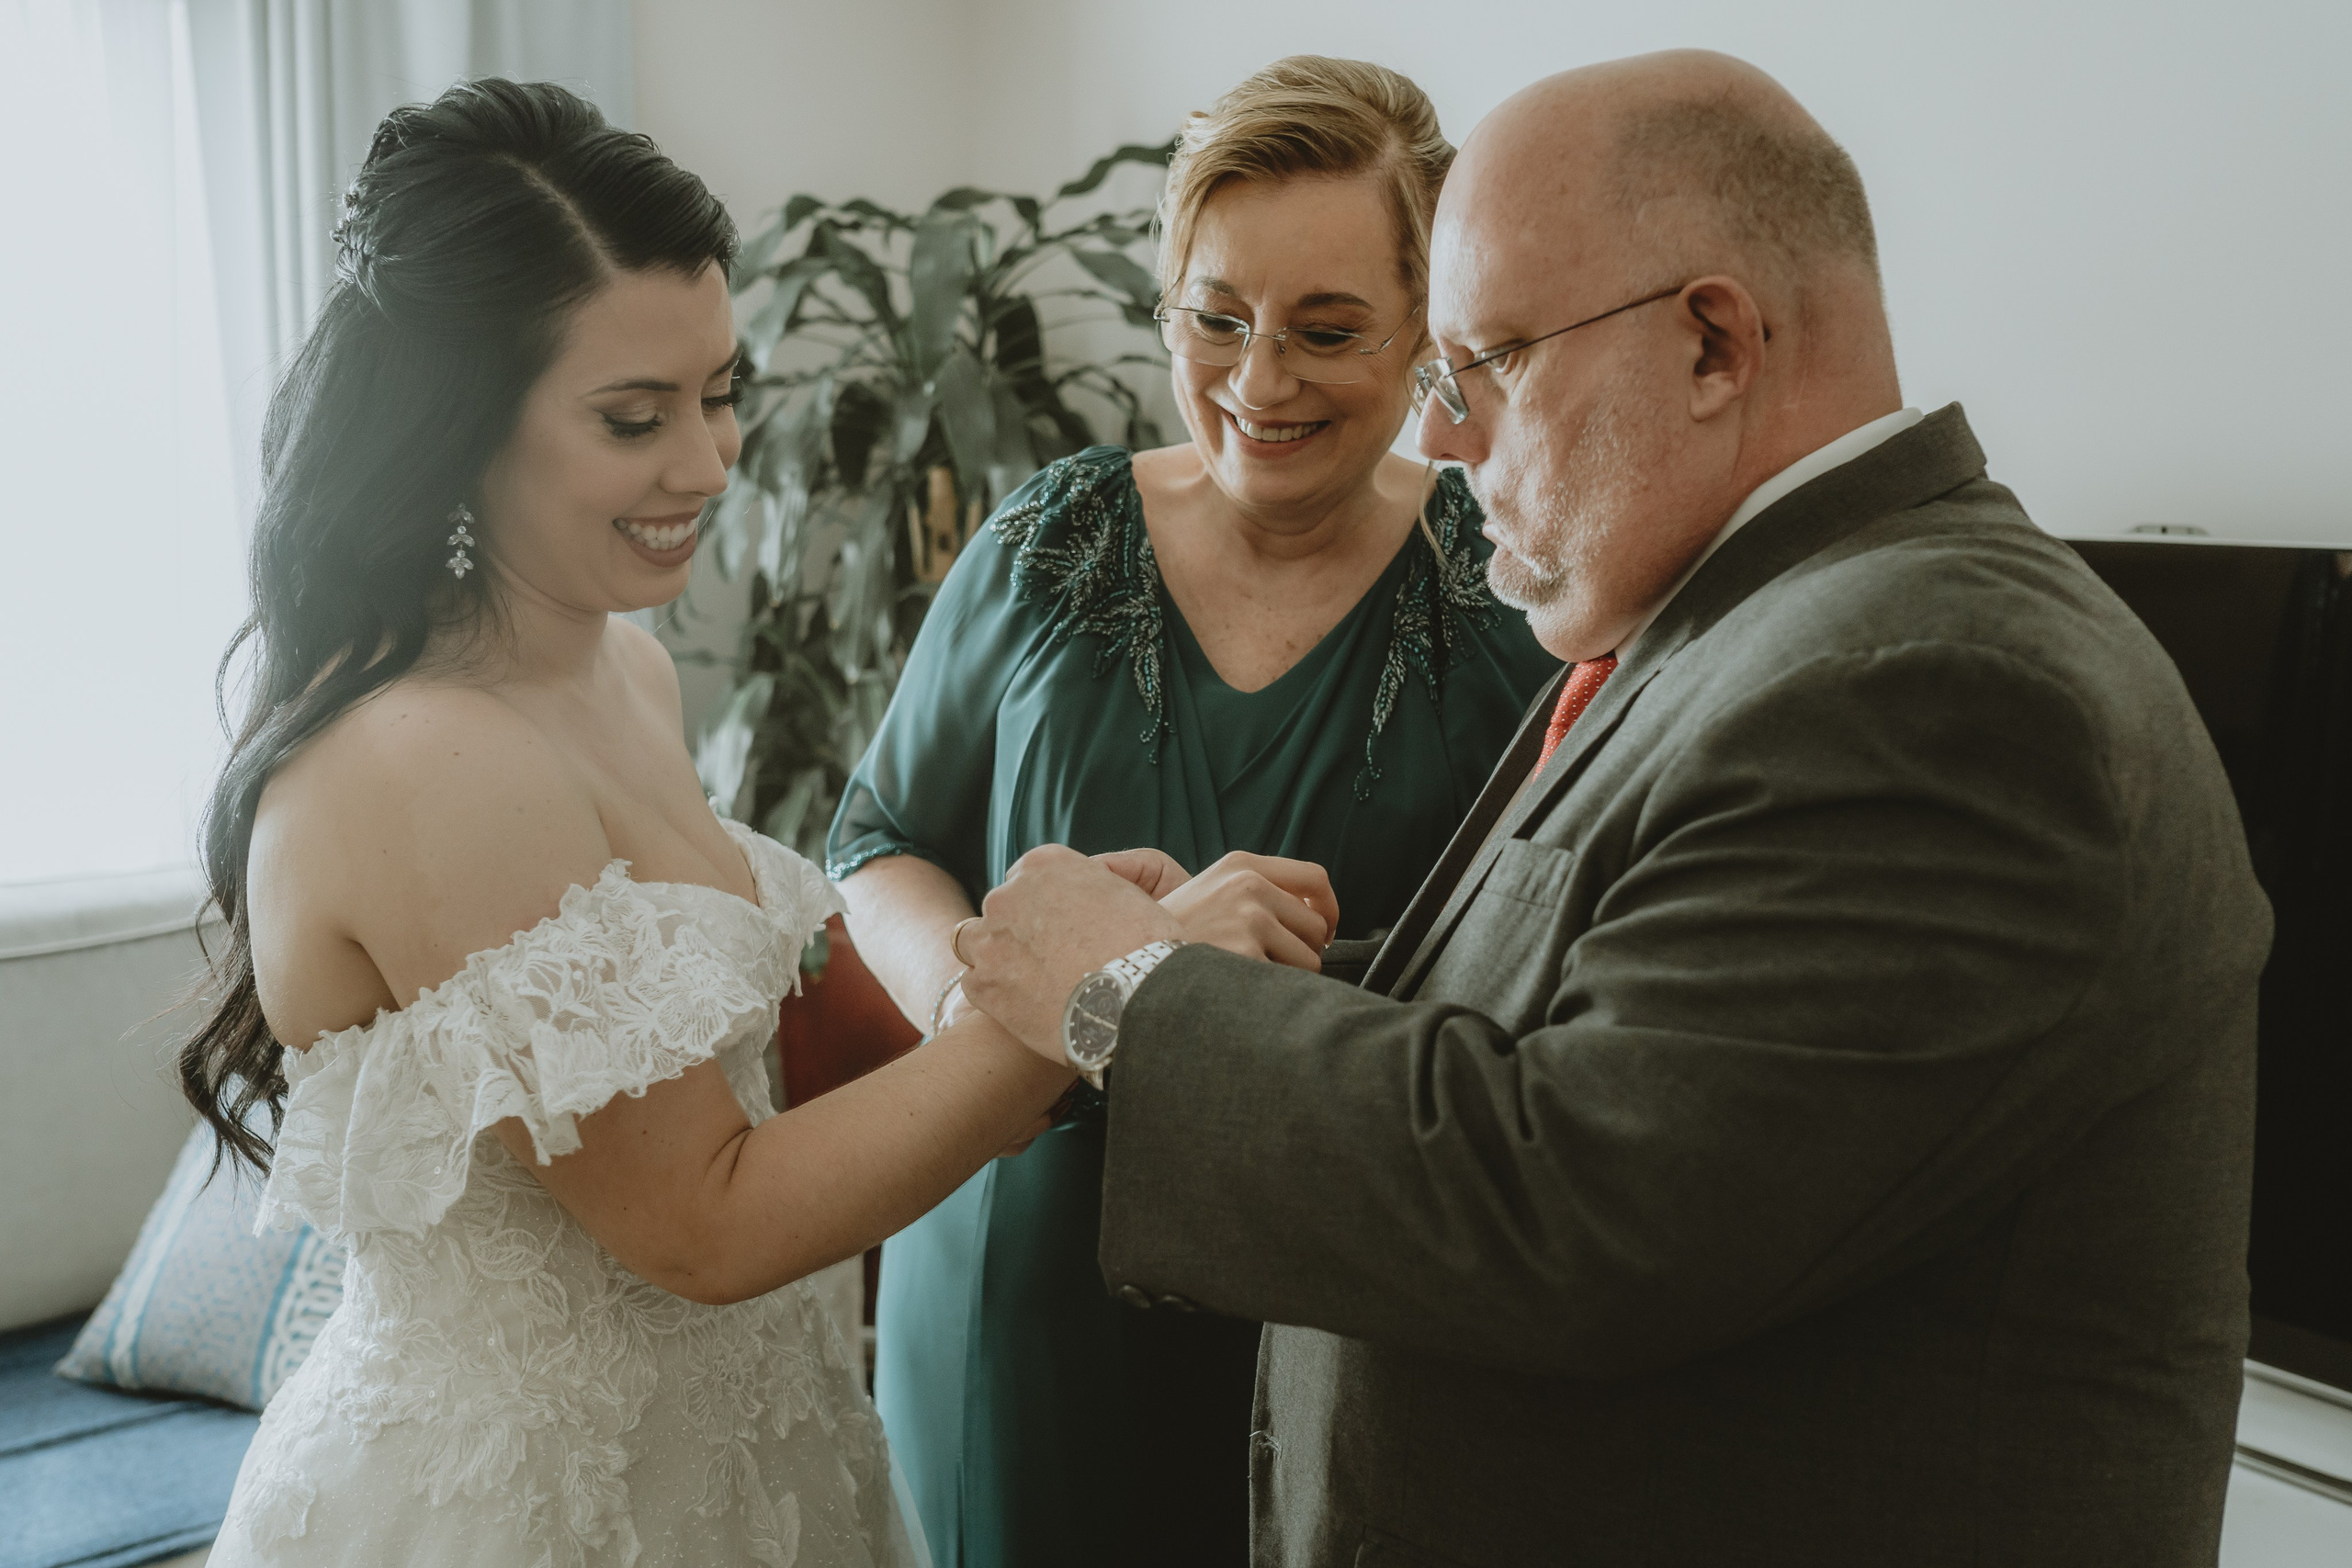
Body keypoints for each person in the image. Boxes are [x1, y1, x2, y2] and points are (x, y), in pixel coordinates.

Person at [958, 50, 2271, 1568]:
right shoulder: (1759, 622)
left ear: (1714, 343)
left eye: (1488, 363)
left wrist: (1132, 998)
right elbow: (1610, 1008)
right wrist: (1225, 959)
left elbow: (1581, 1205)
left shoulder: (1941, 686)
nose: (1440, 436)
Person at [181, 80, 1088, 1567]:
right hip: (537, 1508)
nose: (710, 462)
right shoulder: (428, 759)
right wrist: (1057, 1015)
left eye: (720, 391)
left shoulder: (628, 666)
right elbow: (701, 1222)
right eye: (633, 417)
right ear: (457, 428)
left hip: (752, 1453)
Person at [827, 56, 1559, 1568]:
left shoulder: (1510, 595)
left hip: (1336, 1306)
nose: (1259, 382)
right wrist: (994, 1010)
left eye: (1326, 330)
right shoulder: (1048, 542)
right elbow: (879, 837)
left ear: (1426, 326)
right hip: (1011, 1288)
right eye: (1215, 320)